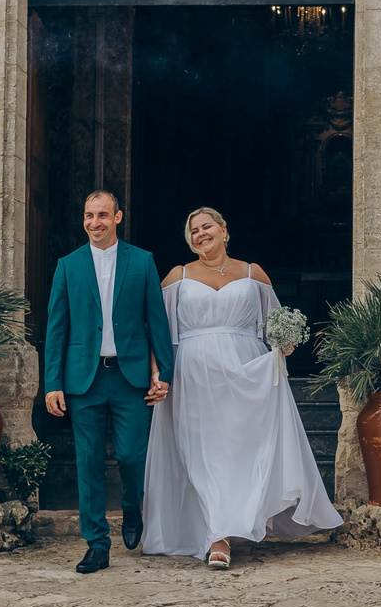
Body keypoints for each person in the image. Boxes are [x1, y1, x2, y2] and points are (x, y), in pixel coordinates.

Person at [141, 207, 341, 566]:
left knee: (242, 453)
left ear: (223, 230)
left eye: (207, 227)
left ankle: (239, 521)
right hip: (194, 373)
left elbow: (273, 325)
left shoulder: (253, 273)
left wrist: (286, 341)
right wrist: (159, 375)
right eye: (193, 231)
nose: (201, 234)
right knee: (202, 453)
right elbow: (159, 332)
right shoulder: (177, 276)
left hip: (246, 371)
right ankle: (218, 536)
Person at [43, 190, 174, 574]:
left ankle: (132, 509)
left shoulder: (142, 261)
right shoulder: (67, 265)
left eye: (102, 215)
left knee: (133, 457)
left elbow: (157, 322)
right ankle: (97, 543)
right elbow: (56, 328)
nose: (94, 222)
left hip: (130, 377)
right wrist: (53, 382)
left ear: (118, 217)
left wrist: (163, 373)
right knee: (88, 462)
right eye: (88, 215)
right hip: (84, 379)